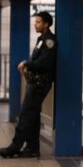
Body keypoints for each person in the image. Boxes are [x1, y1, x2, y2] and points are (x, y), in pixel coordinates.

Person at [0, 11, 56, 158]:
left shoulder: (50, 40)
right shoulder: (41, 39)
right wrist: (29, 64)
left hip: (40, 84)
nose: (35, 24)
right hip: (35, 82)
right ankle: (32, 148)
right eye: (35, 21)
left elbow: (45, 62)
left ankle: (14, 147)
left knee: (26, 114)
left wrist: (27, 63)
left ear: (46, 24)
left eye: (38, 22)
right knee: (33, 115)